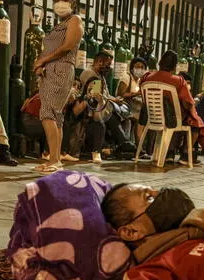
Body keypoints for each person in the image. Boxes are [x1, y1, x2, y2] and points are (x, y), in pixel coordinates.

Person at [33, 0, 83, 175]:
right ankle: (55, 159)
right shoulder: (60, 24)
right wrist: (40, 65)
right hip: (50, 70)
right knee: (55, 115)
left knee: (48, 112)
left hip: (61, 68)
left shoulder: (75, 20)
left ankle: (54, 159)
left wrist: (43, 60)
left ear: (73, 3)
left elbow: (68, 46)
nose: (59, 3)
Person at [140, 51, 204, 164]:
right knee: (193, 122)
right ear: (174, 66)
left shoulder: (146, 77)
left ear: (160, 62)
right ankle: (185, 154)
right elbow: (188, 103)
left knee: (179, 119)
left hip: (152, 117)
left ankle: (170, 154)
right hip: (171, 119)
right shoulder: (178, 80)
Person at [80, 51, 136, 164]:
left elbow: (104, 93)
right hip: (89, 108)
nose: (109, 67)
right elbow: (96, 96)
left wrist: (114, 99)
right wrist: (110, 100)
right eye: (108, 64)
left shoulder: (100, 75)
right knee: (113, 114)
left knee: (122, 112)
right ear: (99, 62)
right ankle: (123, 142)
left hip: (101, 105)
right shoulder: (91, 74)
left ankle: (123, 143)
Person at [116, 57, 147, 142]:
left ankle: (142, 147)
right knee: (140, 119)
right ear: (132, 68)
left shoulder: (140, 81)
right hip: (126, 107)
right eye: (137, 66)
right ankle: (137, 145)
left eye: (142, 67)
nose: (140, 69)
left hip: (137, 109)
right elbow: (121, 94)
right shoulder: (126, 77)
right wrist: (137, 93)